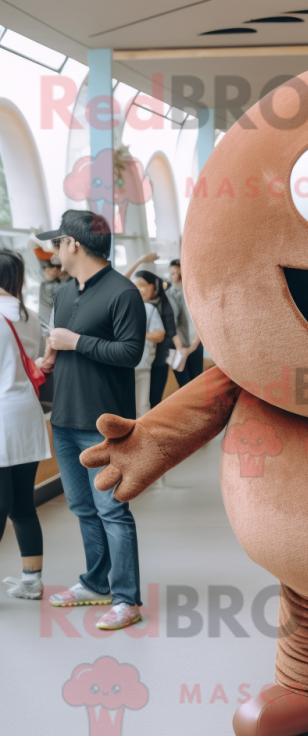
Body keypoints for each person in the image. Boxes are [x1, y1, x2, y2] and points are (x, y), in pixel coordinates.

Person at [35, 210, 146, 630]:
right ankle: (96, 583)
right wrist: (53, 354)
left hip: (103, 425)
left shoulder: (123, 293)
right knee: (83, 507)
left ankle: (126, 599)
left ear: (74, 245)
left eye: (57, 243)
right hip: (64, 418)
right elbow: (66, 346)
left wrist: (76, 342)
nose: (54, 251)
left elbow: (129, 353)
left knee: (112, 510)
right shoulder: (64, 293)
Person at [0, 250, 50, 600]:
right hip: (27, 415)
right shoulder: (29, 316)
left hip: (1, 415)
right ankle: (32, 583)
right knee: (22, 505)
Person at [132, 270, 178, 408]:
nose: (139, 290)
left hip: (158, 361)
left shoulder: (163, 304)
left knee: (151, 401)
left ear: (154, 286)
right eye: (136, 286)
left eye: (143, 285)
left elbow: (168, 333)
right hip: (141, 361)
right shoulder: (137, 305)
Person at [167, 259, 204, 386]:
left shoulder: (195, 294)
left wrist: (193, 346)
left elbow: (201, 320)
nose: (175, 275)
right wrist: (180, 347)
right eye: (172, 273)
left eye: (178, 272)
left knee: (196, 382)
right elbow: (170, 323)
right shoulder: (167, 295)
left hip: (195, 344)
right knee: (183, 384)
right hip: (175, 346)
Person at [132, 277, 165, 418]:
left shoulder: (149, 309)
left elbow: (159, 335)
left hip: (143, 364)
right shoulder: (118, 307)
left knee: (142, 406)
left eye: (142, 288)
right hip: (120, 366)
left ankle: (140, 438)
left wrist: (138, 333)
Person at [36, 247, 69, 324]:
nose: (54, 269)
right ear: (45, 268)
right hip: (44, 323)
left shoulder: (63, 285)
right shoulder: (43, 284)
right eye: (51, 266)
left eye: (58, 267)